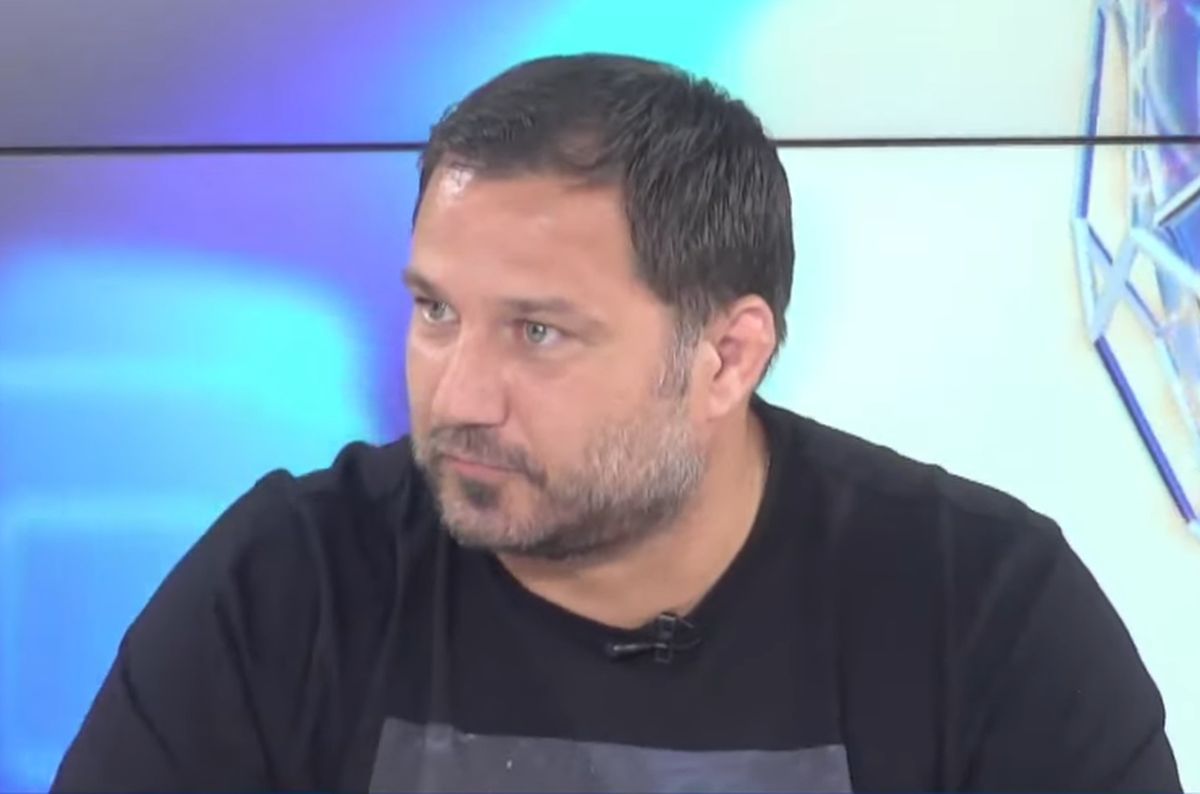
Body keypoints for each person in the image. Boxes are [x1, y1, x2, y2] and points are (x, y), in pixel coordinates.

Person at [52, 53, 1181, 793]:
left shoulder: (982, 613)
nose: (458, 396)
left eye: (539, 331)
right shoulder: (291, 586)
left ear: (727, 356)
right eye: (436, 312)